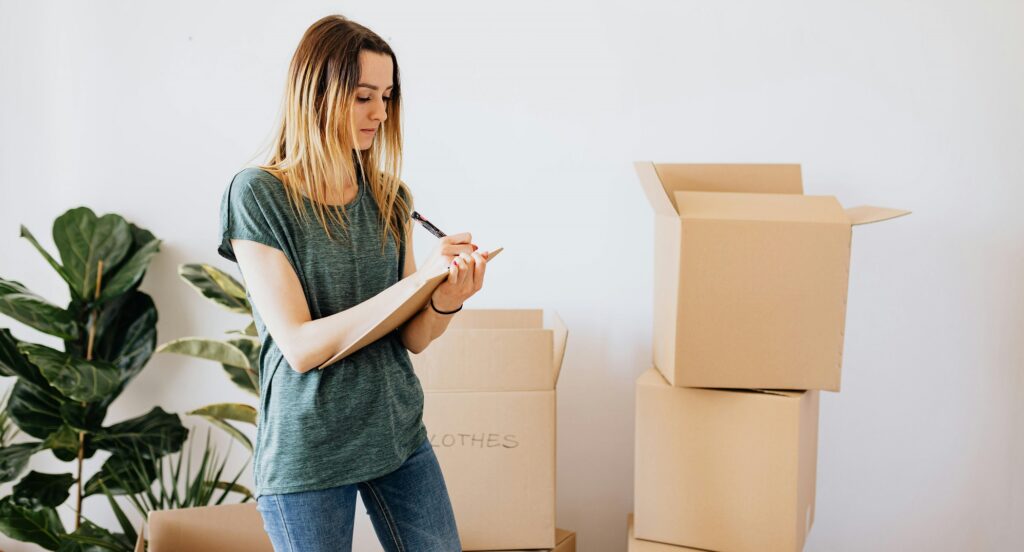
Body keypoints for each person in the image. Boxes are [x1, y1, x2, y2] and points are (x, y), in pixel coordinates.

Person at [216, 14, 487, 552]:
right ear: (316, 94)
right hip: (309, 447)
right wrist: (421, 281)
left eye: (386, 97)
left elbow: (410, 337)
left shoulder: (391, 196)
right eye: (364, 96)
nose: (379, 114)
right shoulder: (258, 195)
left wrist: (444, 300)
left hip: (395, 431)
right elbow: (300, 347)